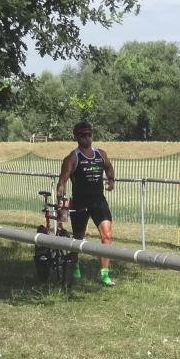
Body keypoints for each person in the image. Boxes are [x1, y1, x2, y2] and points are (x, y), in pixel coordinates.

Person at [56, 121, 116, 286]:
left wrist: (111, 180)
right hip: (80, 203)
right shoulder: (72, 158)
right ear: (76, 137)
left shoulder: (101, 154)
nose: (87, 138)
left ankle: (104, 274)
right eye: (83, 135)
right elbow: (62, 182)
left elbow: (109, 168)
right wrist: (60, 201)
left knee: (107, 235)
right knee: (78, 238)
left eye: (89, 135)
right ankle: (75, 263)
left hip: (98, 201)